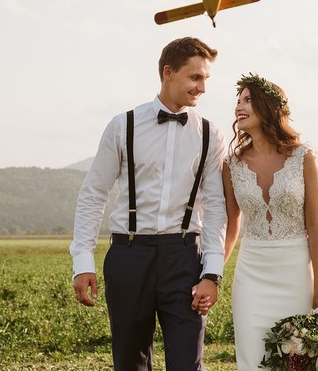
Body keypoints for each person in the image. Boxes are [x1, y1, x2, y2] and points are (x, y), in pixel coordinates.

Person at [70, 37, 227, 371]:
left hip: (184, 257)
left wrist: (212, 272)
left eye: (205, 79)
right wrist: (82, 260)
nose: (202, 87)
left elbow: (215, 207)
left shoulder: (210, 134)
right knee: (130, 363)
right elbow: (93, 194)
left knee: (187, 365)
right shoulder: (122, 125)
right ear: (168, 72)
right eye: (195, 77)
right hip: (129, 256)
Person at [222, 73, 318, 370]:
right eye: (238, 100)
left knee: (298, 359)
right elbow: (232, 224)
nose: (239, 106)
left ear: (268, 107)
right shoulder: (231, 164)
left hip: (296, 273)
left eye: (248, 100)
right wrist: (214, 273)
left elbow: (315, 225)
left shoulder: (304, 157)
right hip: (251, 274)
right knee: (252, 359)